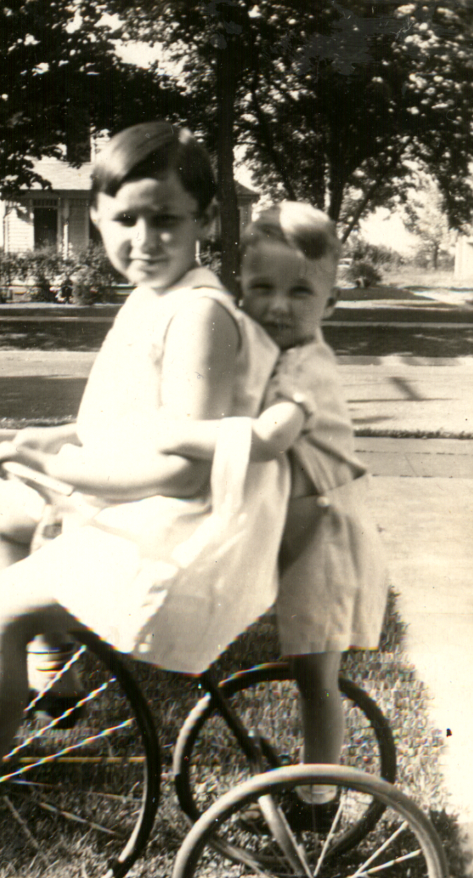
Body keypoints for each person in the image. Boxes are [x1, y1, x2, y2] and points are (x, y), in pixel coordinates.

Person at [0, 122, 291, 858]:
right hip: (136, 509)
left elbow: (189, 465)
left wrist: (69, 473)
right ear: (97, 217)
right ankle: (53, 679)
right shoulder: (152, 295)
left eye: (167, 220)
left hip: (180, 534)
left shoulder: (196, 313)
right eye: (126, 220)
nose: (145, 239)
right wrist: (54, 442)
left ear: (205, 223)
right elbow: (132, 423)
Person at [155, 202, 388, 806]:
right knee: (306, 661)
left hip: (330, 531)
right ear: (241, 291)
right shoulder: (268, 353)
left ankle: (318, 800)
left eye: (300, 292)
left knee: (316, 675)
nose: (278, 305)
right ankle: (314, 788)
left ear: (329, 305)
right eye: (262, 287)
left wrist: (173, 432)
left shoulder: (308, 368)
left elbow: (266, 438)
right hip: (301, 519)